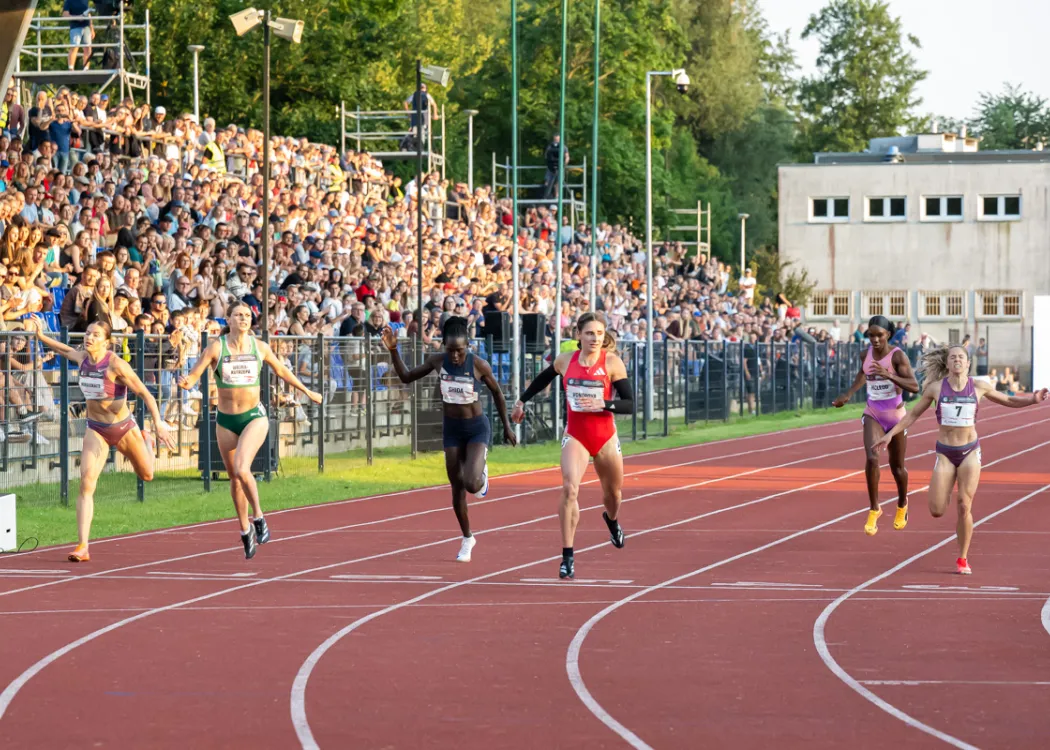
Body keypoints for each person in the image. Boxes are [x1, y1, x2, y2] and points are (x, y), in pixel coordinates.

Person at [873, 345, 1047, 575]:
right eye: (953, 357)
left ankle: (963, 558)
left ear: (968, 364)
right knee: (936, 510)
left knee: (964, 505)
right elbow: (913, 414)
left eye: (961, 357)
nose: (957, 360)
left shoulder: (979, 386)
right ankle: (943, 494)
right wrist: (890, 434)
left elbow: (1008, 400)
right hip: (945, 453)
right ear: (947, 363)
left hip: (969, 452)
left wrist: (1033, 399)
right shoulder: (936, 388)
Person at [177, 302, 322, 559]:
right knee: (234, 477)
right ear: (228, 320)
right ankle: (245, 530)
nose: (243, 318)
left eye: (247, 315)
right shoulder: (216, 347)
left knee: (243, 469)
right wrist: (186, 382)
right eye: (238, 315)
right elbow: (194, 374)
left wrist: (307, 391)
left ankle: (259, 517)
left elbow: (281, 370)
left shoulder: (260, 347)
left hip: (254, 416)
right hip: (225, 420)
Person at [26, 317, 175, 562]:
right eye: (87, 333)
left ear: (107, 341)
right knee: (86, 482)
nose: (89, 337)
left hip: (123, 427)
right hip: (96, 429)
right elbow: (65, 350)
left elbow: (145, 393)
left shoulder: (116, 365)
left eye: (96, 335)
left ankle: (146, 441)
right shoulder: (83, 358)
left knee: (147, 475)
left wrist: (158, 423)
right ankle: (83, 545)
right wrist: (41, 337)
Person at [380, 316, 516, 562]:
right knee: (456, 486)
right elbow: (407, 377)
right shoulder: (438, 361)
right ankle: (467, 538)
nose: (455, 356)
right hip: (452, 429)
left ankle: (481, 474)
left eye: (459, 351)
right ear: (444, 346)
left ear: (468, 347)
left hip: (476, 428)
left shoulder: (479, 365)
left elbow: (497, 393)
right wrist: (393, 350)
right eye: (450, 350)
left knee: (472, 484)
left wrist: (506, 427)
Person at [511, 312, 634, 579]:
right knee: (569, 488)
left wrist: (603, 404)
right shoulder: (565, 360)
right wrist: (521, 401)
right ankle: (567, 556)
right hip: (576, 434)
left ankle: (612, 520)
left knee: (613, 495)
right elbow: (543, 379)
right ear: (578, 335)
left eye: (599, 334)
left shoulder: (612, 363)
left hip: (605, 437)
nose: (595, 338)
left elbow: (630, 404)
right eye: (589, 333)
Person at [832, 315, 919, 535]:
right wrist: (848, 394)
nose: (875, 339)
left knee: (897, 467)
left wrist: (889, 375)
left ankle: (902, 504)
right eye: (871, 335)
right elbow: (863, 374)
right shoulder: (865, 354)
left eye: (879, 335)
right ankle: (874, 508)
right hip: (873, 412)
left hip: (896, 415)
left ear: (888, 334)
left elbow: (914, 386)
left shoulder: (897, 356)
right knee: (872, 458)